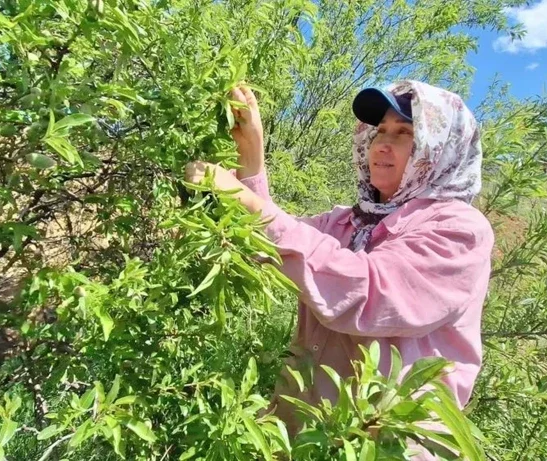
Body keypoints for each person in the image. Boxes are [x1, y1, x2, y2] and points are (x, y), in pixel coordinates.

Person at [184, 80, 494, 457]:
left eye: (404, 134)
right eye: (380, 130)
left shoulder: (458, 230)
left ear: (440, 149)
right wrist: (251, 155)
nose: (382, 144)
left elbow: (366, 293)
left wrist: (243, 199)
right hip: (306, 434)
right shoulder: (350, 222)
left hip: (387, 446)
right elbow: (269, 246)